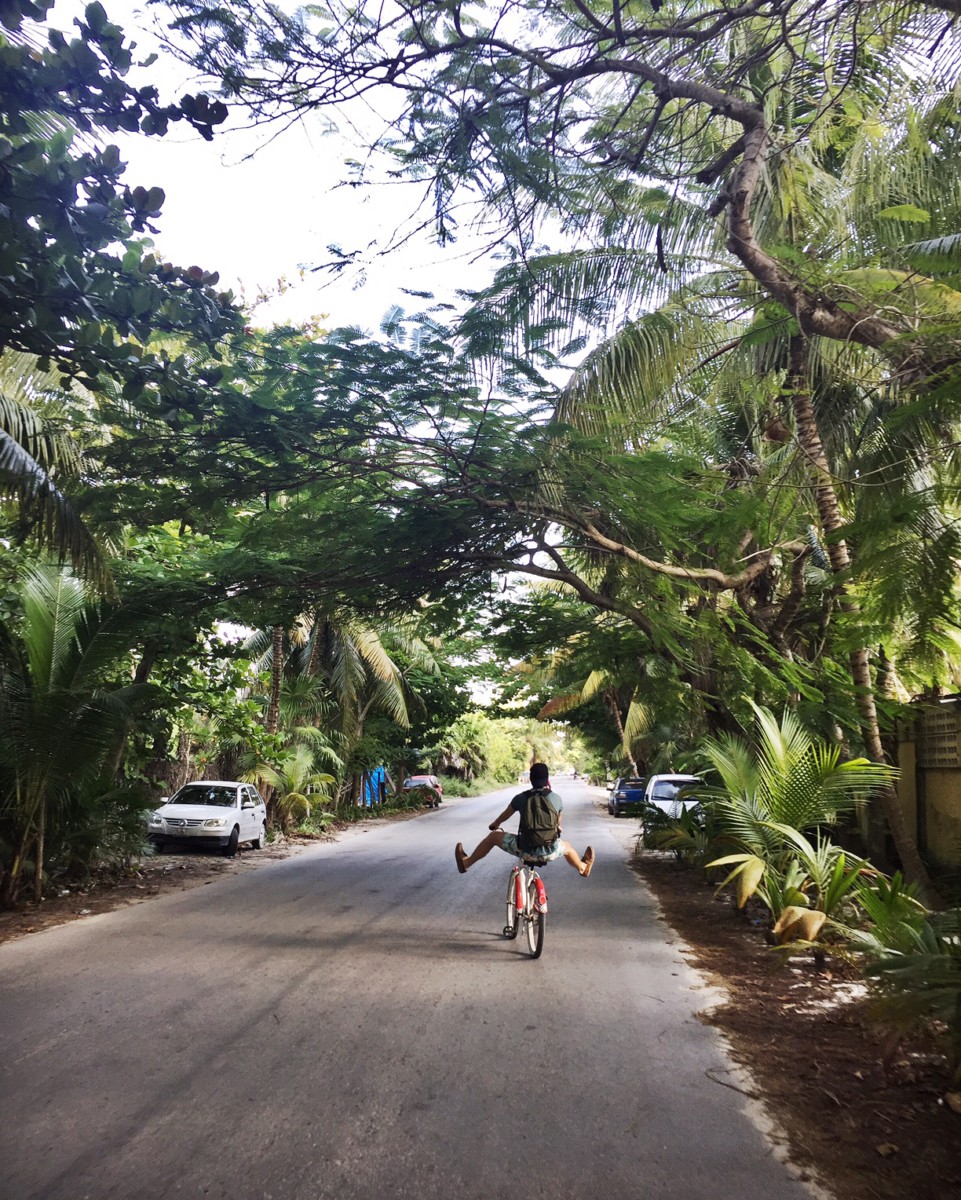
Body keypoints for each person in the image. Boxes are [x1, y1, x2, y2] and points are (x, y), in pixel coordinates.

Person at [454, 762, 595, 876]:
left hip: (524, 849)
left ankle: (467, 863)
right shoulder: (556, 798)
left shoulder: (521, 798)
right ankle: (582, 868)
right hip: (550, 850)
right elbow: (558, 826)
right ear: (547, 780)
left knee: (493, 837)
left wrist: (495, 824)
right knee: (567, 847)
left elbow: (505, 815)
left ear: (531, 779)